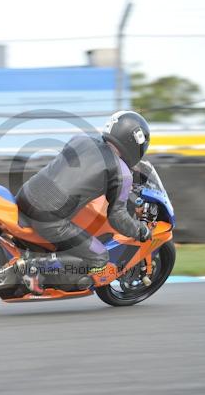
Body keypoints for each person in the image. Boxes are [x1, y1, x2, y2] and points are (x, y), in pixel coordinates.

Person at [16, 110, 152, 294]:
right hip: (48, 218)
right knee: (99, 256)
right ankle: (36, 267)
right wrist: (140, 230)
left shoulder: (80, 139)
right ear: (135, 143)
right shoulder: (121, 173)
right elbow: (117, 217)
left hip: (24, 195)